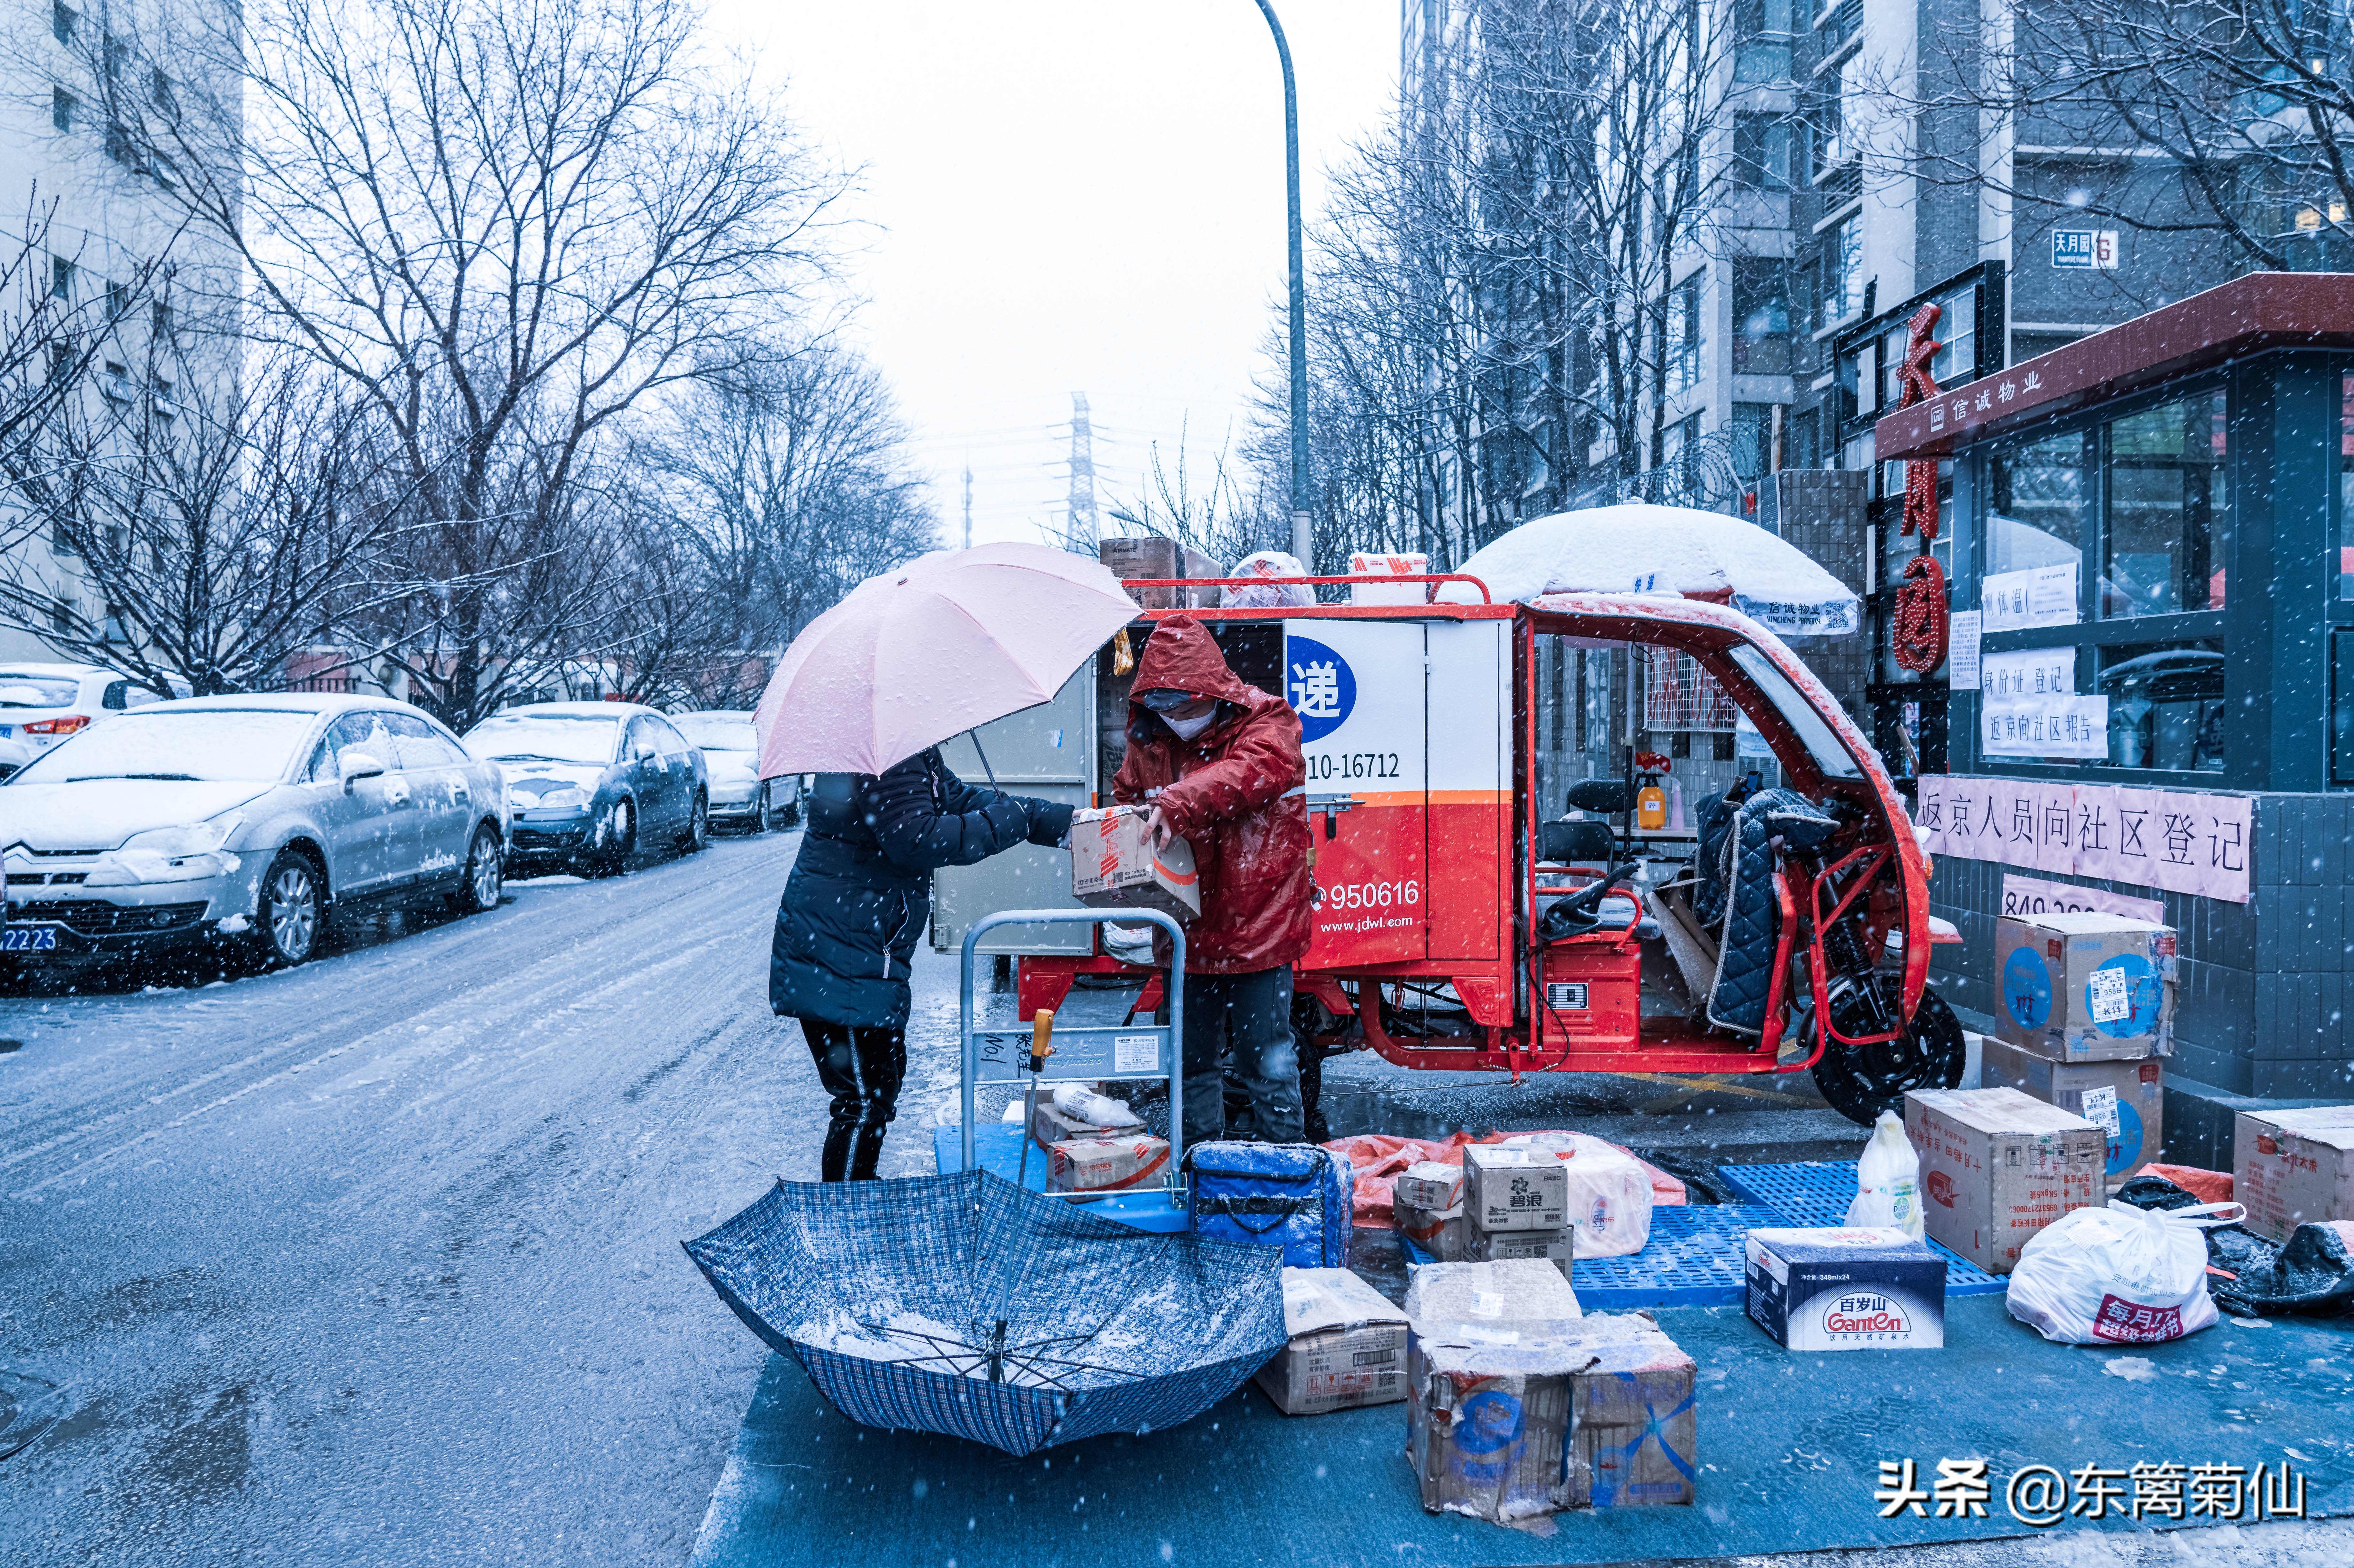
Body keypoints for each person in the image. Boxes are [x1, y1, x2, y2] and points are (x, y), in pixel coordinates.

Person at [771, 747, 1074, 1180]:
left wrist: (1046, 818)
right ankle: (847, 1215)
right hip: (843, 951)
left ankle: (855, 1193)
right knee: (862, 1099)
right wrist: (1015, 821)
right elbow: (916, 839)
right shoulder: (884, 754)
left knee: (879, 1080)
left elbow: (951, 797)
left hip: (857, 946)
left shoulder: (903, 750)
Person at [1111, 615, 1311, 1148]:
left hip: (1259, 928)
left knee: (1266, 1065)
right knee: (1192, 1063)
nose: (1175, 719)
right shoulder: (1150, 739)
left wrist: (1174, 804)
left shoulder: (1269, 721)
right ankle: (1199, 1168)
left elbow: (1248, 774)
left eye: (1186, 706)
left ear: (1214, 692)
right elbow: (1128, 800)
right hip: (1185, 932)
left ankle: (1286, 1176)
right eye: (1164, 708)